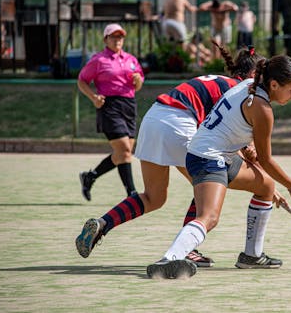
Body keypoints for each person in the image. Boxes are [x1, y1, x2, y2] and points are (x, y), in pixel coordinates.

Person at [75, 43, 265, 268]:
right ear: (253, 75)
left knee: (154, 197)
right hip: (179, 123)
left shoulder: (218, 81)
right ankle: (187, 250)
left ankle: (103, 223)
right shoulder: (239, 90)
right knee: (206, 183)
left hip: (152, 120)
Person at [146, 54, 291, 279]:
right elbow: (266, 159)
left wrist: (280, 185)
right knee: (209, 217)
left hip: (217, 155)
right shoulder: (262, 109)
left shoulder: (249, 86)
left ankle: (252, 255)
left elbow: (252, 153)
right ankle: (169, 259)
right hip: (208, 158)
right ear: (273, 84)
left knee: (266, 186)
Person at [77, 23, 144, 201]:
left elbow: (138, 85)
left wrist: (138, 80)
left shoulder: (131, 59)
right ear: (106, 39)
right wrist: (93, 97)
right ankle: (132, 193)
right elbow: (82, 80)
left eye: (120, 37)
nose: (117, 40)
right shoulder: (99, 60)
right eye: (113, 37)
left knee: (125, 153)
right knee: (123, 150)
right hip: (109, 106)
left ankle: (90, 176)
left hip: (129, 105)